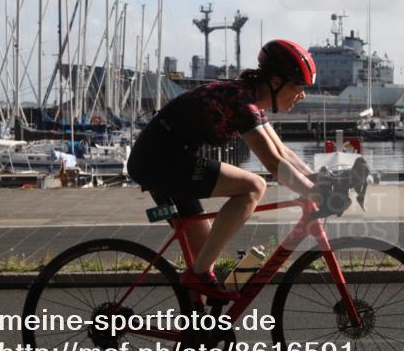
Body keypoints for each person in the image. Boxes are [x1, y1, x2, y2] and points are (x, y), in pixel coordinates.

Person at [127, 39, 318, 301]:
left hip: (167, 158)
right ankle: (198, 278)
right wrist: (315, 192)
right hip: (160, 161)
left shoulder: (246, 98)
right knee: (253, 186)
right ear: (276, 81)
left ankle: (198, 322)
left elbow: (284, 153)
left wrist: (317, 181)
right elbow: (274, 164)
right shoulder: (241, 102)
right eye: (300, 86)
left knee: (204, 255)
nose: (303, 94)